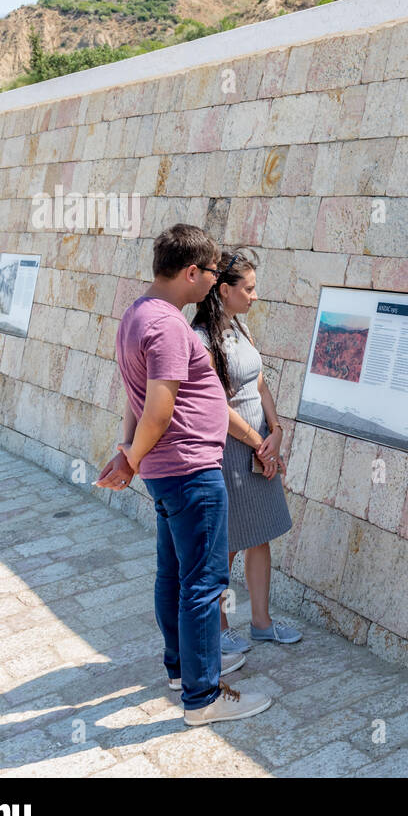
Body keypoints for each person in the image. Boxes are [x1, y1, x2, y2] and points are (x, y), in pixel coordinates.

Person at [96, 223, 272, 726]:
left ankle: (181, 670)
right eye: (213, 274)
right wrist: (129, 458)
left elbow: (136, 400)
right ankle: (202, 696)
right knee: (203, 582)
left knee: (174, 572)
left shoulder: (136, 315)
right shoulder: (170, 327)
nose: (214, 283)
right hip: (190, 468)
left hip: (166, 469)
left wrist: (129, 452)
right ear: (191, 272)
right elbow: (158, 407)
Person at [190, 248, 300, 654]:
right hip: (231, 453)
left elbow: (259, 384)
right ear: (223, 290)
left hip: (259, 448)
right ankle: (217, 627)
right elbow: (217, 406)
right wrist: (260, 446)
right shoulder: (201, 340)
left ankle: (261, 621)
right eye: (248, 289)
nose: (255, 296)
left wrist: (276, 430)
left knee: (261, 534)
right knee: (228, 542)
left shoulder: (240, 330)